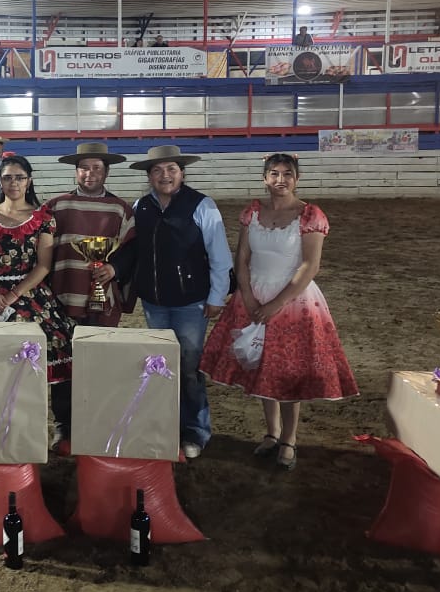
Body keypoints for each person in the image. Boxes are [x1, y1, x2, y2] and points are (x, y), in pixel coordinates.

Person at [200, 154, 357, 471]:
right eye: (274, 173)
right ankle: (271, 433)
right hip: (253, 295)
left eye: (287, 174)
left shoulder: (310, 215)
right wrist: (247, 294)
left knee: (287, 371)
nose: (280, 179)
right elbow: (242, 258)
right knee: (263, 366)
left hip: (292, 301)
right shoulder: (252, 213)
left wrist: (277, 303)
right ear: (265, 178)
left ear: (296, 179)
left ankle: (289, 438)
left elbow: (309, 266)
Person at [127, 144, 234, 461]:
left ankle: (195, 431)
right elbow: (135, 251)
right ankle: (164, 428)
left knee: (188, 367)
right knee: (160, 364)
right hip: (155, 303)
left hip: (191, 303)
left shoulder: (202, 205)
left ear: (182, 173)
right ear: (149, 176)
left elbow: (219, 255)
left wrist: (216, 296)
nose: (165, 175)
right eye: (158, 170)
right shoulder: (141, 207)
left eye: (171, 169)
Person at [45, 142, 136, 454]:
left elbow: (131, 251)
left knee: (98, 363)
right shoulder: (56, 206)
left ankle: (96, 424)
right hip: (61, 298)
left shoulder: (121, 210)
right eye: (85, 167)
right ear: (76, 171)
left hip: (101, 299)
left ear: (106, 172)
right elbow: (41, 249)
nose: (90, 173)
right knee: (62, 364)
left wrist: (114, 268)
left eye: (97, 167)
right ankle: (63, 426)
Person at [0, 155, 75, 381]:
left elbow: (43, 265)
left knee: (27, 368)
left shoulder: (43, 218)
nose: (14, 183)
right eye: (8, 178)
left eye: (20, 178)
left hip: (29, 292)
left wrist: (13, 294)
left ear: (29, 181)